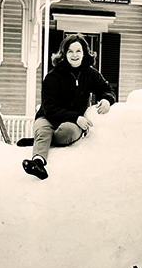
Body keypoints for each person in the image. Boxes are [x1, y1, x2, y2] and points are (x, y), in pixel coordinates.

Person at [22, 34, 116, 180]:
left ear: (84, 53)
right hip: (48, 117)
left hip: (72, 123)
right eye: (70, 51)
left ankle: (41, 140)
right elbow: (50, 108)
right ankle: (38, 162)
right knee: (43, 128)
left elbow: (108, 90)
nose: (74, 55)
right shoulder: (53, 77)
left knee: (69, 132)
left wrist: (106, 100)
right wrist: (76, 117)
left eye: (78, 51)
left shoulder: (91, 74)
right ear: (64, 54)